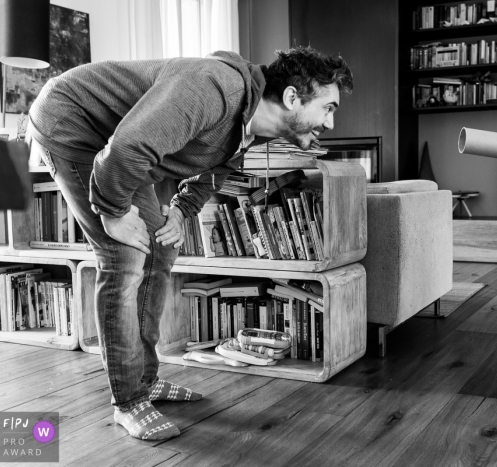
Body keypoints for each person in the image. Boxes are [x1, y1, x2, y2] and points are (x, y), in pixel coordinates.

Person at [26, 46, 353, 441]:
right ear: (291, 98)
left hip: (115, 145)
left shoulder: (247, 129)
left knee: (160, 248)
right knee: (123, 257)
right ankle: (128, 401)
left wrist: (179, 212)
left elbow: (210, 175)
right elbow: (128, 148)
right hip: (71, 121)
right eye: (328, 107)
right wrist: (111, 211)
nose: (330, 123)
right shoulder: (214, 88)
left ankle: (144, 381)